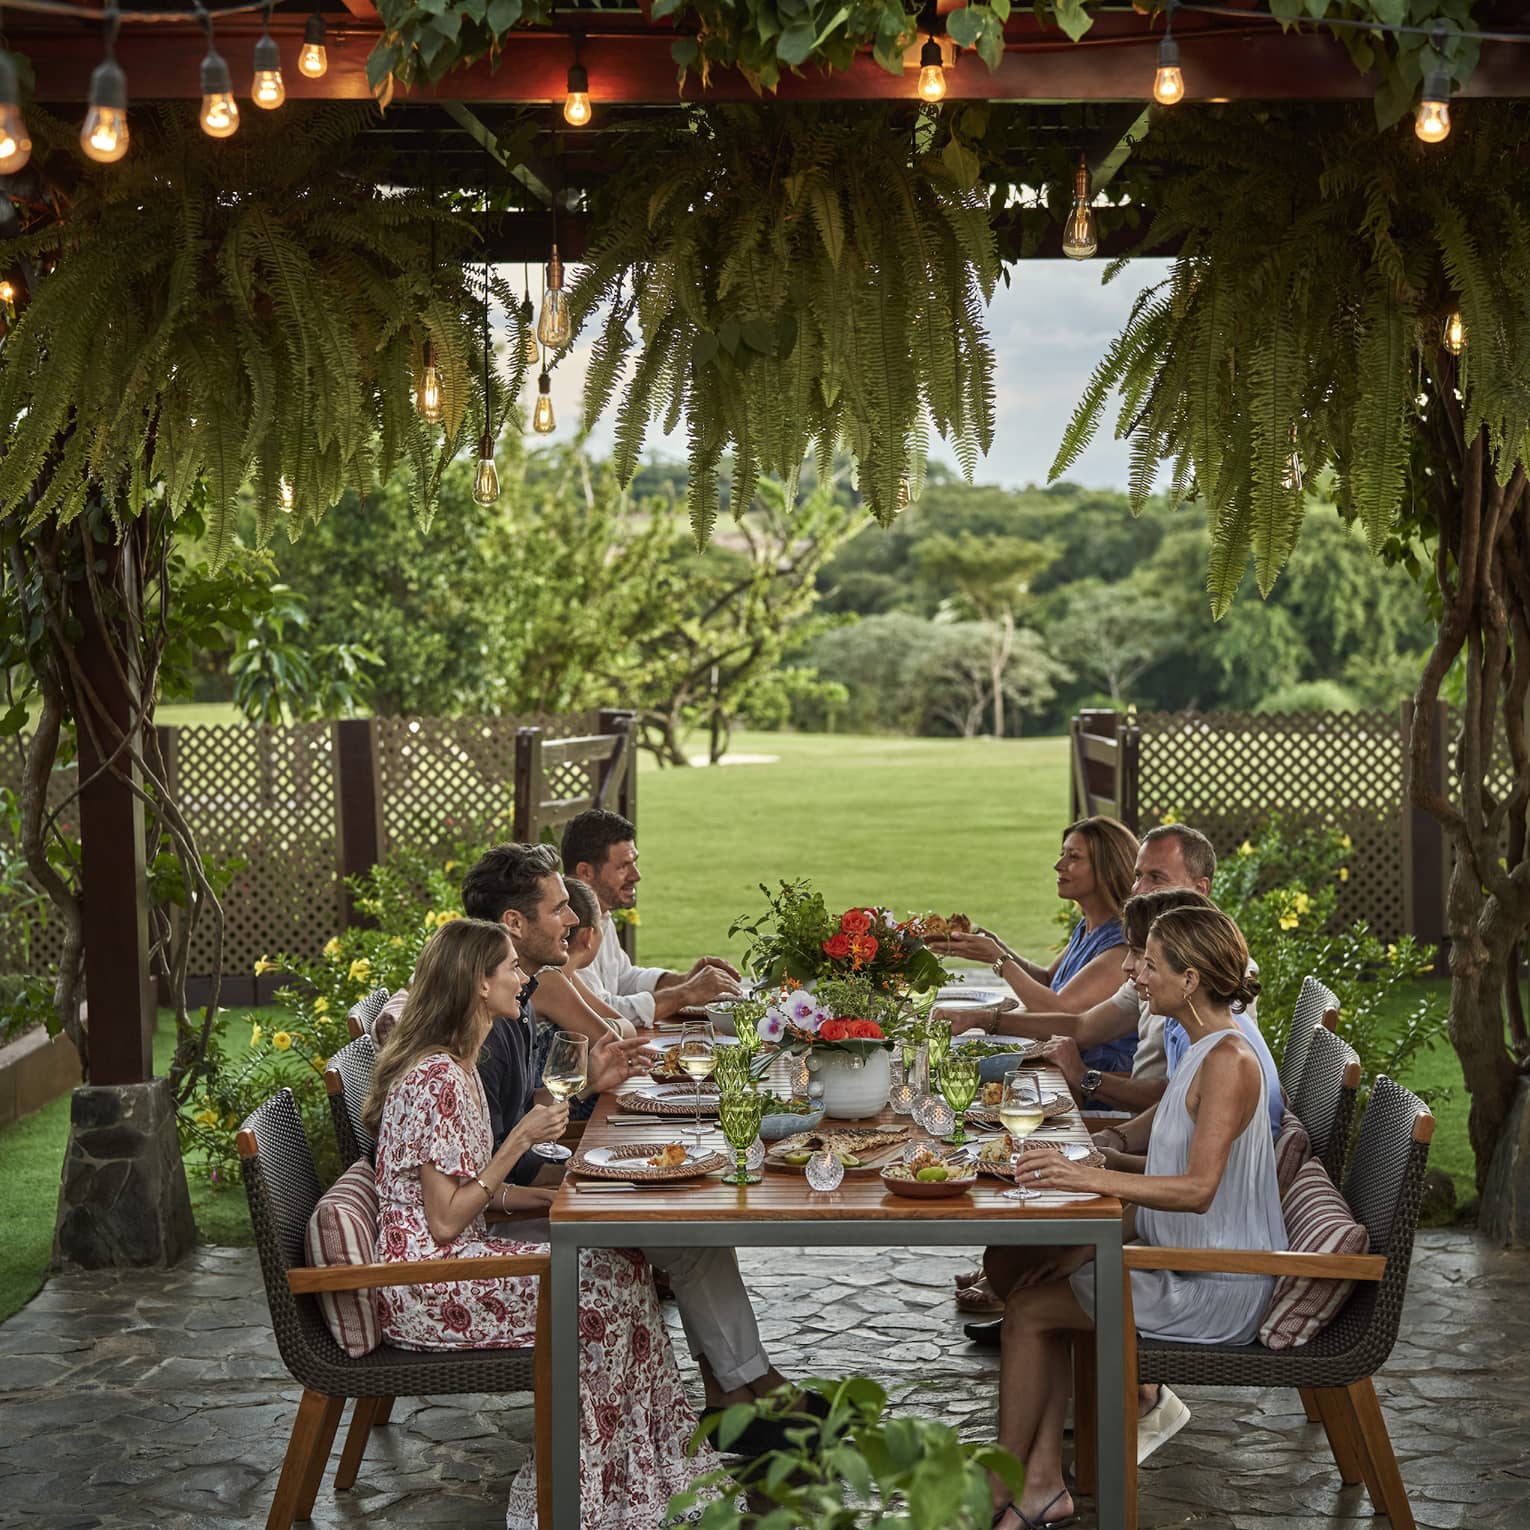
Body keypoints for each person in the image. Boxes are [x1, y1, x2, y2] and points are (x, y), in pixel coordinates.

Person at [363, 917, 724, 1530]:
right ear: (479, 984)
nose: (522, 978)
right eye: (510, 968)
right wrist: (521, 1139)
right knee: (599, 1296)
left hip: (452, 1263)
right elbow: (447, 1221)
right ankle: (582, 1493)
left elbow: (475, 1195)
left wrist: (561, 1194)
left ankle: (639, 1473)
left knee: (620, 1264)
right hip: (425, 1286)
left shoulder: (455, 1064)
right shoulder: (437, 1078)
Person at [462, 841, 799, 1425]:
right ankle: (750, 1391)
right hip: (499, 1219)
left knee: (689, 1220)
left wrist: (584, 1084)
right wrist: (565, 1185)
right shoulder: (483, 1021)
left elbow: (519, 1118)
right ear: (513, 923)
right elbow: (482, 1164)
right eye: (558, 908)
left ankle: (739, 1393)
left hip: (526, 1179)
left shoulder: (514, 995)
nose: (574, 919)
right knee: (683, 1227)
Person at [986, 905, 1285, 1530]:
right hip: (1181, 1261)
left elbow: (1200, 1189)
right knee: (1043, 1277)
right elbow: (1173, 1157)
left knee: (1031, 1310)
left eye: (1149, 963)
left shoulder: (1229, 1062)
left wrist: (1085, 1175)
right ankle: (1038, 1483)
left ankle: (999, 1485)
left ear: (1191, 979)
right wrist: (1093, 1157)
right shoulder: (1206, 1048)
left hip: (1214, 1284)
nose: (1134, 972)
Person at [929, 816, 1141, 1066]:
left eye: (1073, 857)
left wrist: (999, 959)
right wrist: (994, 947)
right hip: (1055, 1063)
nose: (1058, 865)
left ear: (1107, 867)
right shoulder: (1089, 926)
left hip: (1093, 1079)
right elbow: (1049, 981)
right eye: (1062, 854)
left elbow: (1057, 1010)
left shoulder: (1120, 949)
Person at [561, 808, 742, 1027]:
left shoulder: (600, 913)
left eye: (634, 862)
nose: (636, 875)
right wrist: (686, 993)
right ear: (585, 872)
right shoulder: (568, 928)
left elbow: (623, 978)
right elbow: (603, 1014)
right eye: (623, 866)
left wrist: (681, 980)